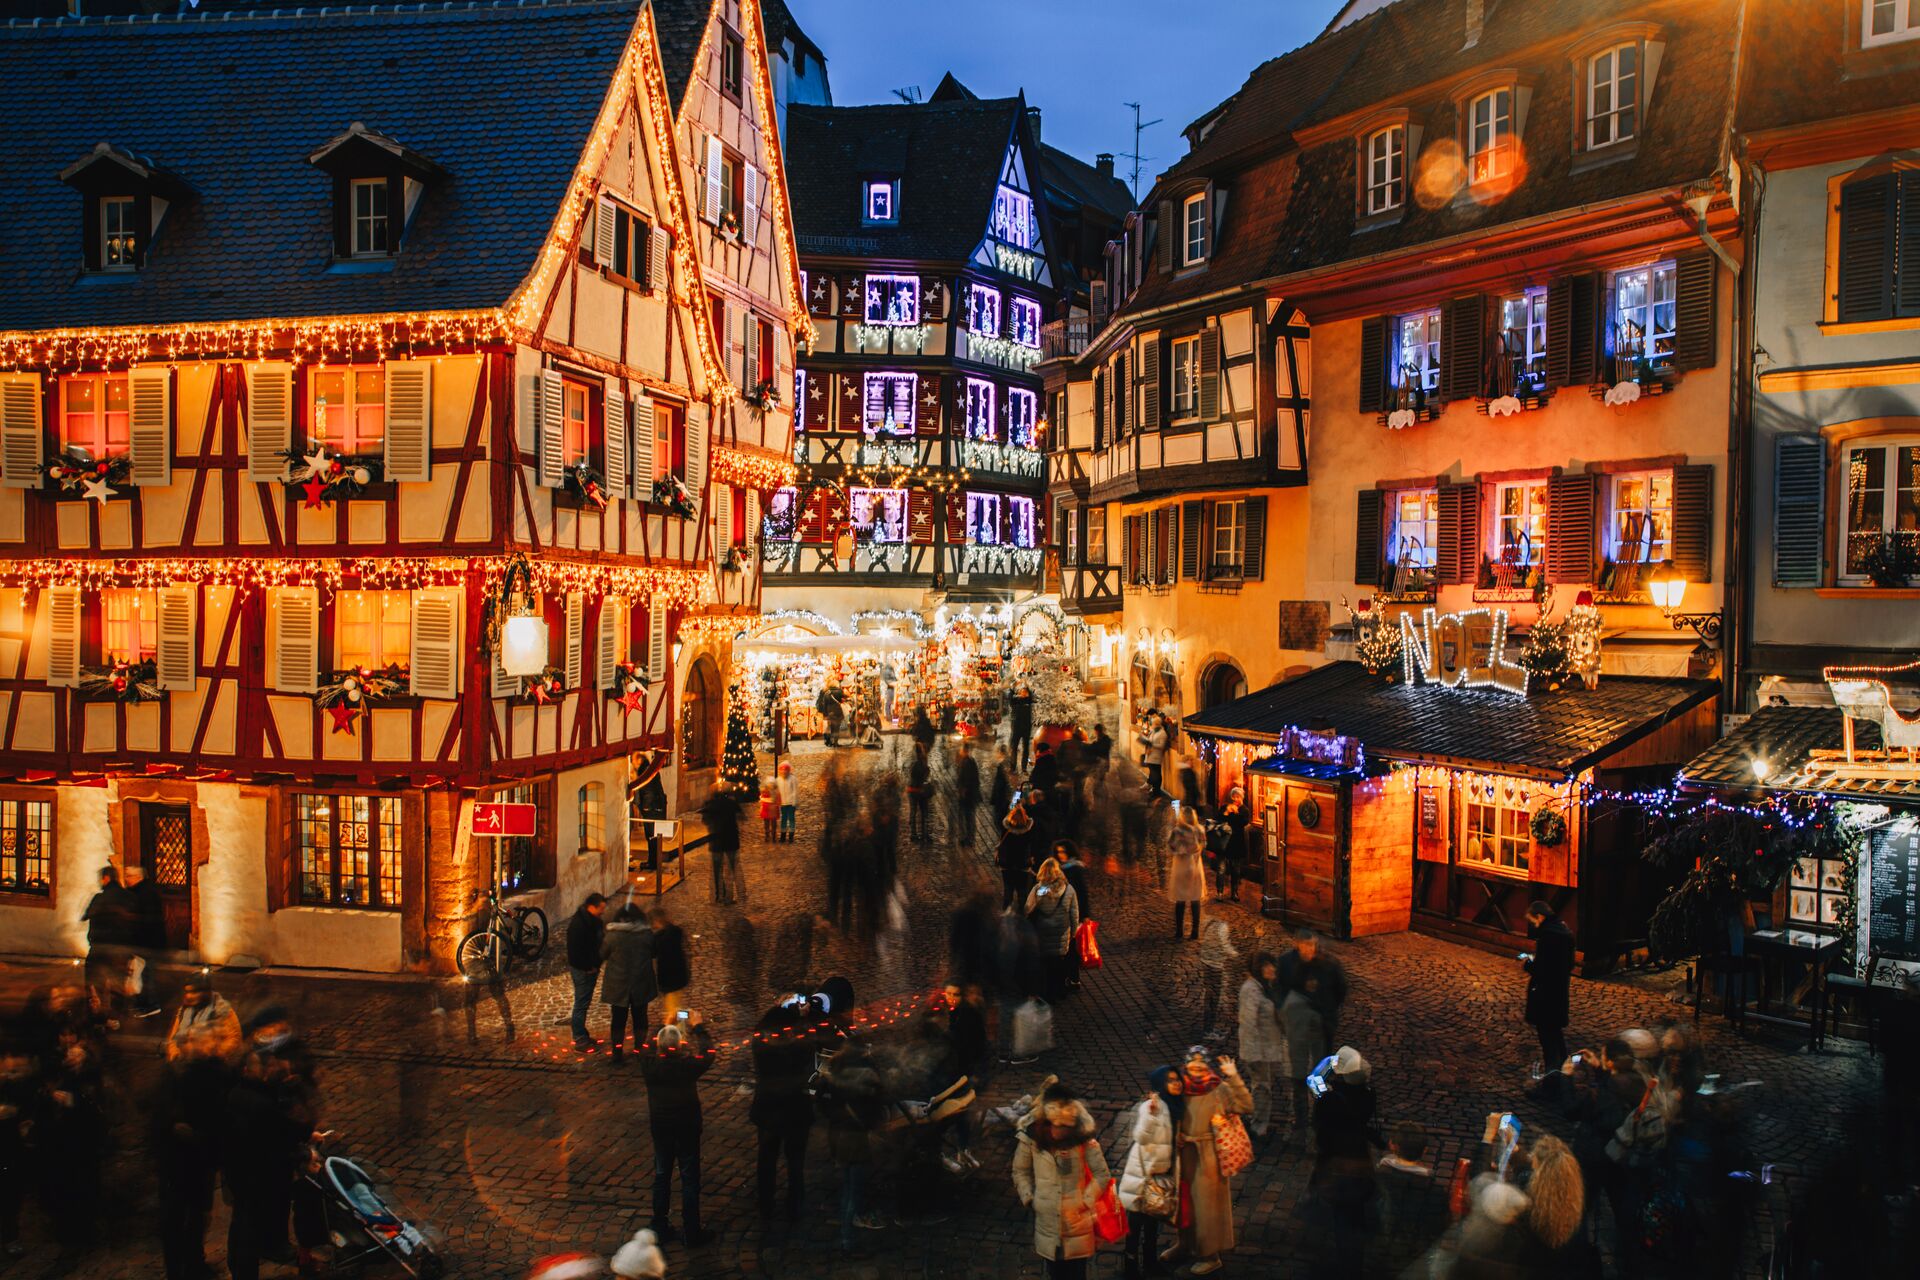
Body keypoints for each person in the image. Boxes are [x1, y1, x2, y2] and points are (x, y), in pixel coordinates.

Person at [1164, 1049, 1253, 1276]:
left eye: (1201, 1063)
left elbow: (1245, 1106)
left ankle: (1210, 1255)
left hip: (1208, 1157)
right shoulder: (1179, 1086)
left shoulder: (1218, 1088)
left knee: (1207, 1208)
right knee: (1183, 1202)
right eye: (1192, 1063)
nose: (1197, 1067)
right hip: (1183, 1154)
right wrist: (1176, 1135)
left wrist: (1233, 1077)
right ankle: (1184, 1244)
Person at [1011, 1081, 1111, 1280]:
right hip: (1047, 1221)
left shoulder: (1082, 1136)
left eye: (1065, 1126)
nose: (1060, 1132)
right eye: (1057, 1125)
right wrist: (1029, 1197)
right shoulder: (1031, 1137)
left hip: (1078, 1222)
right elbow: (1020, 1171)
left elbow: (1102, 1174)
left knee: (1077, 1273)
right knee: (1055, 1272)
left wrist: (1085, 1201)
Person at [637, 1013, 716, 1246]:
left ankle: (659, 1225)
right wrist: (698, 1027)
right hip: (687, 1127)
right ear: (680, 1045)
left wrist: (663, 1024)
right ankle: (691, 1230)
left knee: (662, 1175)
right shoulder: (688, 1066)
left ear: (659, 1046)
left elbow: (643, 1048)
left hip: (661, 1128)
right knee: (689, 1178)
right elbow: (709, 1053)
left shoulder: (650, 1065)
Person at [749, 997, 826, 1223]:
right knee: (795, 1161)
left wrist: (781, 1009)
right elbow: (813, 1043)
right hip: (795, 1110)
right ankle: (795, 1205)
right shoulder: (799, 1046)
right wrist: (801, 1017)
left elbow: (761, 1026)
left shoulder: (761, 1045)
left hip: (768, 1109)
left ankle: (765, 1204)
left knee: (766, 1159)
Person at [1307, 1046, 1379, 1278]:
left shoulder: (1329, 1100)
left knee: (1339, 1216)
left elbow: (1313, 1079)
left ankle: (1344, 1263)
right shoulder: (1368, 1095)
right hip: (1360, 1158)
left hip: (1335, 1160)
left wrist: (1329, 1062)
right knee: (1356, 1212)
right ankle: (1355, 1258)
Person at [818, 1038, 888, 1251]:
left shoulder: (832, 1071)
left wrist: (836, 1118)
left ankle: (847, 1233)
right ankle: (848, 1240)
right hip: (857, 1139)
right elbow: (877, 1105)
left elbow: (822, 1102)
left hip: (838, 1136)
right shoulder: (868, 1077)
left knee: (847, 1186)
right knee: (853, 1191)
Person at [1278, 930, 1346, 1131]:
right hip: (1298, 1027)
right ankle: (1301, 1118)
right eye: (1305, 945)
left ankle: (1320, 1115)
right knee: (1298, 1073)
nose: (1309, 950)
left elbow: (1340, 990)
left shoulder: (1329, 965)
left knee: (1320, 1074)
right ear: (1296, 944)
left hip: (1323, 1026)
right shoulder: (1288, 963)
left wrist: (1327, 1011)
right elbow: (1281, 990)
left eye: (1312, 945)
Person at [1117, 1066, 1180, 1280]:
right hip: (1143, 1175)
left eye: (1177, 1079)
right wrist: (1151, 1116)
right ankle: (1130, 1265)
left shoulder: (1177, 1106)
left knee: (1153, 1223)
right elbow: (1141, 1137)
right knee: (1135, 1223)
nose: (1176, 1083)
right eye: (1170, 1080)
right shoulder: (1151, 1107)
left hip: (1160, 1174)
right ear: (1160, 1084)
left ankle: (1150, 1262)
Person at [1522, 900, 1575, 1098]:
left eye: (1533, 921)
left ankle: (1552, 1087)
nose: (1534, 925)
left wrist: (1528, 964)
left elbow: (1542, 969)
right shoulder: (1563, 931)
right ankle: (1564, 1079)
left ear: (1540, 916)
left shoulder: (1548, 936)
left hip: (1545, 997)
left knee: (1549, 1044)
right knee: (1557, 1040)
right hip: (1558, 995)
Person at [1236, 954, 1286, 1137]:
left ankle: (1258, 1120)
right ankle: (1258, 1126)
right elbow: (1248, 1023)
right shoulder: (1251, 990)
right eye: (1266, 966)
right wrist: (1253, 1054)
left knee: (1263, 1086)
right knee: (1262, 1087)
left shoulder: (1266, 987)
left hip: (1268, 1049)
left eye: (1272, 965)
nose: (1272, 969)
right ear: (1258, 969)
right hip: (1258, 1051)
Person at [600, 903, 657, 1064]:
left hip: (618, 984)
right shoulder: (647, 935)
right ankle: (639, 1050)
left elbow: (603, 954)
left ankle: (617, 1053)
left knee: (618, 1020)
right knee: (640, 1018)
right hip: (641, 982)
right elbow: (654, 952)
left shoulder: (613, 935)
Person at [81, 864, 135, 1016]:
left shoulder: (100, 898)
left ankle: (97, 1015)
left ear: (106, 878)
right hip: (122, 949)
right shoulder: (129, 898)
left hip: (100, 947)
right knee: (118, 984)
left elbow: (86, 915)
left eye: (102, 879)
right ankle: (116, 1016)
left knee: (94, 981)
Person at [1025, 857, 1081, 1002]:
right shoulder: (1068, 889)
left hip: (1043, 932)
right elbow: (1074, 914)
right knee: (1059, 962)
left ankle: (1046, 993)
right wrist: (1073, 933)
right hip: (1062, 934)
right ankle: (1059, 990)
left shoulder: (1040, 889)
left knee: (1045, 963)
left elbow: (1028, 908)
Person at [166, 976, 243, 1066]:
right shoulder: (184, 1011)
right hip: (185, 1063)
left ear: (206, 992)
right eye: (187, 992)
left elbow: (234, 1038)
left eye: (194, 992)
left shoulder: (222, 1010)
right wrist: (175, 1056)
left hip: (214, 1064)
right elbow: (174, 1038)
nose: (189, 996)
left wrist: (213, 1055)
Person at [565, 893, 608, 1049]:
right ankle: (579, 1038)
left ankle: (582, 1034)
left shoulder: (593, 921)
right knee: (581, 1004)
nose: (603, 911)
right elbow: (575, 952)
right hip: (583, 970)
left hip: (590, 968)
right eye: (601, 908)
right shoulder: (579, 925)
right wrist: (588, 967)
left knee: (584, 1002)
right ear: (591, 907)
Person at [701, 784, 745, 905]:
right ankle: (730, 896)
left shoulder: (709, 805)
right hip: (731, 840)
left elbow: (705, 821)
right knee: (731, 869)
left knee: (717, 870)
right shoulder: (731, 803)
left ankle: (718, 896)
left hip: (716, 841)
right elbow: (742, 816)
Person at [649, 906, 690, 1024]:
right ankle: (684, 1021)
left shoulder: (658, 938)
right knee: (677, 1005)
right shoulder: (676, 931)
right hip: (680, 975)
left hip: (668, 978)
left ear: (656, 921)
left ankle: (678, 1028)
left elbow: (652, 953)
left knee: (672, 1010)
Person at [629, 751, 670, 870]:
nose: (633, 765)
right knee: (654, 837)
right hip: (657, 807)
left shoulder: (645, 771)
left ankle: (653, 863)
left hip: (652, 808)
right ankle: (654, 862)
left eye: (633, 762)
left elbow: (641, 789)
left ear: (639, 760)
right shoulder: (650, 769)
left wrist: (639, 805)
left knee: (652, 837)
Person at [1199, 920, 1239, 1038]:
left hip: (1206, 962)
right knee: (1214, 997)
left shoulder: (1211, 923)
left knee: (1209, 995)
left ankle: (1207, 1028)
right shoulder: (1223, 927)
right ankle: (1209, 1029)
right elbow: (1224, 945)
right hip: (1215, 966)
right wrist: (1235, 954)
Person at [1167, 820, 1206, 941]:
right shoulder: (1199, 829)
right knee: (1195, 899)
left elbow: (1171, 846)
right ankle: (1195, 931)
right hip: (1195, 867)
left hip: (1181, 867)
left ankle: (1179, 931)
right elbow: (1204, 844)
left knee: (1180, 899)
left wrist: (1181, 850)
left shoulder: (1177, 830)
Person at [998, 795, 1038, 908]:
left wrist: (1016, 796)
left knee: (1008, 892)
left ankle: (1007, 913)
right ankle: (1022, 913)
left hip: (1007, 865)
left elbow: (1006, 810)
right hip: (1023, 866)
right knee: (1022, 893)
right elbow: (1033, 845)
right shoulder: (1029, 831)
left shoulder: (1006, 829)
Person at [1217, 787, 1250, 904]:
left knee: (1235, 870)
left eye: (1238, 797)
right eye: (1234, 796)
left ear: (1242, 798)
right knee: (1221, 869)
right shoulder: (1225, 807)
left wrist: (1233, 814)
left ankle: (1234, 892)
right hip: (1224, 843)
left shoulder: (1244, 810)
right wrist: (1227, 812)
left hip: (1236, 843)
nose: (1235, 799)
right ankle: (1220, 892)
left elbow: (1242, 822)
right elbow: (1219, 819)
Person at [952, 740, 982, 852]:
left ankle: (967, 839)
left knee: (967, 817)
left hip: (967, 796)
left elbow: (966, 780)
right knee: (969, 817)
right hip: (970, 795)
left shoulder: (966, 763)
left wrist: (962, 791)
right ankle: (969, 838)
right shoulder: (969, 761)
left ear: (964, 750)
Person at [1137, 712, 1169, 796]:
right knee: (1153, 773)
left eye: (1153, 723)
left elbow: (1162, 746)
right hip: (1150, 755)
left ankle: (1155, 790)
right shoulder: (1153, 731)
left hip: (1156, 757)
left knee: (1156, 774)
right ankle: (1153, 788)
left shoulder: (1162, 733)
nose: (1152, 725)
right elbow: (1150, 739)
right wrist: (1144, 739)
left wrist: (1152, 744)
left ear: (1157, 724)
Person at [907, 742, 933, 842]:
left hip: (915, 790)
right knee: (921, 812)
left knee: (917, 812)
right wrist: (926, 772)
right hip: (917, 790)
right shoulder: (918, 761)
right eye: (922, 749)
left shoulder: (920, 760)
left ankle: (918, 834)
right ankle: (919, 834)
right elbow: (917, 775)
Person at [1008, 681, 1035, 771]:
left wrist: (1027, 686)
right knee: (1014, 747)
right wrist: (1012, 688)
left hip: (1026, 728)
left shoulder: (1028, 700)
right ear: (1019, 693)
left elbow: (1031, 696)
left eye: (1025, 692)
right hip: (1017, 727)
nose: (1024, 693)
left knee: (1026, 748)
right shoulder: (1016, 701)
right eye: (1022, 691)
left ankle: (1024, 767)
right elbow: (1010, 699)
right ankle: (1013, 767)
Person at [775, 760, 799, 843]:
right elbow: (777, 792)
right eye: (782, 770)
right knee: (783, 819)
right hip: (783, 803)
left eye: (785, 770)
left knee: (791, 819)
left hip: (791, 803)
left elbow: (795, 791)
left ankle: (791, 835)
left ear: (788, 770)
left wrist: (794, 802)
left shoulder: (793, 779)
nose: (784, 772)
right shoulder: (778, 780)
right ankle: (783, 835)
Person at [989, 744, 1015, 821]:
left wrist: (994, 799)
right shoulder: (1010, 763)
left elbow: (999, 784)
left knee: (1000, 818)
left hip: (1002, 798)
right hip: (1007, 798)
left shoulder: (1002, 765)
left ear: (1001, 753)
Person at [758, 778, 777, 842]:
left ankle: (771, 836)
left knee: (771, 822)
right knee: (767, 822)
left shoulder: (774, 791)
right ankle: (769, 835)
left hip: (771, 809)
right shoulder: (765, 791)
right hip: (767, 808)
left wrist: (763, 800)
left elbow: (774, 799)